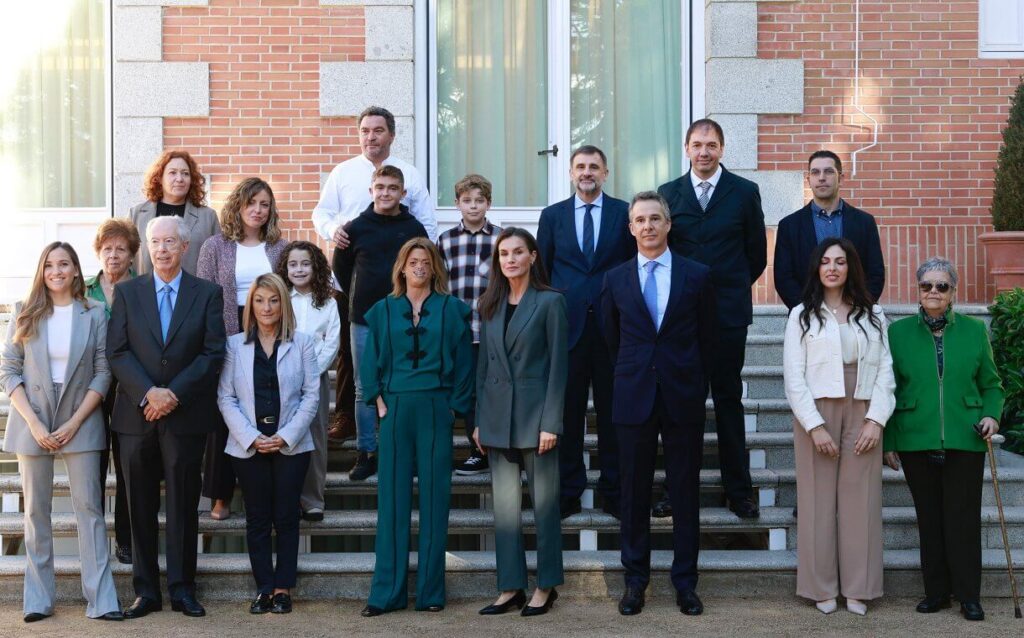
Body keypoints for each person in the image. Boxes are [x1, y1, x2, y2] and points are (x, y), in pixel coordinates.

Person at [601, 192, 715, 617]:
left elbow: (709, 338)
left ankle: (686, 582)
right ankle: (635, 582)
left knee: (685, 491)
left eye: (655, 218)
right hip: (633, 396)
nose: (647, 226)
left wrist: (690, 380)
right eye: (639, 220)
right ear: (630, 228)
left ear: (669, 224)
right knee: (633, 493)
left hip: (682, 394)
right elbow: (612, 338)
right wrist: (636, 372)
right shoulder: (615, 279)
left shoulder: (698, 275)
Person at [107, 215, 226, 619]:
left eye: (170, 242)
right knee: (138, 506)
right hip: (135, 418)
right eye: (155, 242)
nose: (162, 249)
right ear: (148, 246)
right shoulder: (127, 293)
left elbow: (212, 353)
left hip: (185, 416)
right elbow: (117, 352)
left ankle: (182, 588)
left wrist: (172, 394)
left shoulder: (208, 293)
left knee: (182, 506)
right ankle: (146, 592)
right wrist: (149, 393)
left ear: (185, 247)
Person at [1, 243, 122, 623]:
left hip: (81, 416)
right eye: (50, 265)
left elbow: (104, 371)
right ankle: (38, 599)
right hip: (31, 417)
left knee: (90, 510)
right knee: (36, 512)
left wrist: (73, 422)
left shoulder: (95, 311)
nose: (56, 271)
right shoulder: (23, 311)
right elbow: (8, 371)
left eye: (64, 264)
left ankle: (102, 600)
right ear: (42, 270)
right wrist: (35, 424)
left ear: (74, 270)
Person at [883, 257, 1004, 622]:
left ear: (953, 292)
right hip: (914, 436)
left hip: (965, 437)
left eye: (941, 286)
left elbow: (992, 384)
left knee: (962, 520)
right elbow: (888, 388)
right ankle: (936, 593)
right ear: (917, 291)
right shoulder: (897, 333)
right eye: (926, 286)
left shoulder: (973, 330)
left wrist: (991, 416)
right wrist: (889, 439)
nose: (933, 292)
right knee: (929, 518)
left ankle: (969, 596)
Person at [657, 118, 766, 520]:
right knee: (681, 406)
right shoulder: (669, 193)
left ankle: (738, 491)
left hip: (727, 316)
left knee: (727, 402)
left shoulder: (744, 192)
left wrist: (728, 289)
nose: (704, 152)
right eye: (697, 144)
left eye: (712, 145)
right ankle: (674, 489)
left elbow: (756, 255)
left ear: (722, 149)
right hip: (680, 318)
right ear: (687, 148)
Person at [359, 238, 474, 616]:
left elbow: (463, 361)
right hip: (394, 409)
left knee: (435, 500)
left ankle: (430, 593)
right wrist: (376, 399)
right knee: (391, 501)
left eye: (427, 261)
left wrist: (454, 408)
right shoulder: (381, 310)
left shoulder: (453, 309)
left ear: (435, 268)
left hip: (436, 409)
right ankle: (386, 595)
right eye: (413, 261)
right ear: (402, 267)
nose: (420, 267)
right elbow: (370, 358)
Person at [312, 106, 439, 445]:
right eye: (365, 130)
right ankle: (347, 419)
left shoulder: (409, 173)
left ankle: (396, 431)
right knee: (350, 353)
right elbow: (321, 212)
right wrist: (332, 231)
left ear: (391, 135)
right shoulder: (343, 172)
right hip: (354, 274)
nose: (371, 136)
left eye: (378, 130)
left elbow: (426, 223)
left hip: (398, 281)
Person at [782, 237, 895, 616]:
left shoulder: (874, 314)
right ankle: (820, 587)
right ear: (817, 268)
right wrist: (814, 426)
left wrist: (876, 420)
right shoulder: (801, 314)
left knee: (859, 501)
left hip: (862, 408)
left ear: (851, 268)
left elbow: (886, 373)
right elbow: (793, 378)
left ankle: (860, 588)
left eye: (841, 262)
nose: (833, 267)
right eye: (826, 261)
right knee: (816, 501)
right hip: (817, 410)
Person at [537, 145, 635, 519]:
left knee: (613, 415)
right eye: (580, 166)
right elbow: (542, 273)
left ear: (606, 173)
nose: (587, 172)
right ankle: (568, 490)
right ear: (570, 172)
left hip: (614, 329)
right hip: (567, 329)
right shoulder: (552, 216)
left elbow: (631, 268)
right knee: (568, 414)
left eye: (594, 166)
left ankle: (613, 491)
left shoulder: (623, 213)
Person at [474, 228, 568, 617]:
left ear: (532, 256)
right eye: (503, 254)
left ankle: (546, 585)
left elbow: (560, 367)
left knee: (544, 507)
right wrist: (479, 421)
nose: (510, 259)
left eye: (517, 252)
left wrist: (552, 422)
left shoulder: (550, 302)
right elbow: (483, 368)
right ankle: (510, 586)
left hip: (535, 420)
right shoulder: (489, 304)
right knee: (507, 511)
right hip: (497, 418)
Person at [218, 273, 320, 615]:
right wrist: (252, 436)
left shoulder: (302, 343)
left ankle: (282, 588)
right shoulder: (234, 345)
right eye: (259, 300)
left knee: (287, 516)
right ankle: (263, 587)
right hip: (248, 447)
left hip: (291, 444)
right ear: (251, 305)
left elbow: (311, 396)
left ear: (283, 304)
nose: (266, 307)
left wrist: (285, 435)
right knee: (257, 518)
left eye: (273, 300)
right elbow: (226, 397)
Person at [197, 177, 289, 520]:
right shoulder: (214, 246)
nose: (258, 210)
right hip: (226, 330)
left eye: (264, 204)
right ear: (238, 205)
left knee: (268, 406)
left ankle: (266, 493)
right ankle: (220, 495)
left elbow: (289, 294)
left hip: (269, 327)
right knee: (226, 411)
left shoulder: (280, 247)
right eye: (252, 203)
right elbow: (205, 295)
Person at [333, 165, 429, 481]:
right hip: (362, 319)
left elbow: (424, 267)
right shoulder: (356, 228)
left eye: (392, 188)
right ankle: (367, 452)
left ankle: (402, 452)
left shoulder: (413, 227)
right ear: (371, 190)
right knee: (364, 388)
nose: (385, 193)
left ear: (403, 193)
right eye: (380, 187)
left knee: (402, 386)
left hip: (403, 318)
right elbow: (342, 270)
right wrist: (360, 297)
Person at [437, 174, 503, 475]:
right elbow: (440, 285)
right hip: (459, 331)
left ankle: (489, 449)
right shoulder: (447, 240)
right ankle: (476, 447)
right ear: (457, 204)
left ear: (488, 203)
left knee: (487, 390)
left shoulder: (501, 238)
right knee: (464, 392)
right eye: (467, 201)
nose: (473, 206)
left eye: (479, 200)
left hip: (492, 329)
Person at [84, 218, 141, 565]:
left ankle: (125, 539)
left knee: (126, 466)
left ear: (133, 254)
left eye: (121, 249)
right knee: (93, 463)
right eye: (108, 248)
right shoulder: (84, 288)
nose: (114, 254)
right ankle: (92, 541)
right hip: (90, 386)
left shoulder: (141, 287)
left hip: (127, 387)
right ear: (99, 252)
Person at [275, 241, 342, 521]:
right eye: (293, 264)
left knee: (314, 439)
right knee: (284, 438)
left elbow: (332, 342)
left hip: (315, 381)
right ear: (285, 268)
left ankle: (313, 499)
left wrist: (312, 373)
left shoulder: (327, 302)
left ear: (316, 267)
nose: (299, 269)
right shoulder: (279, 299)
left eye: (305, 264)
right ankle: (286, 498)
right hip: (281, 379)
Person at [774, 150, 886, 310]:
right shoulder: (789, 225)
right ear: (809, 179)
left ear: (841, 178)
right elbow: (783, 277)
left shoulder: (864, 222)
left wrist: (857, 308)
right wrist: (808, 311)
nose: (821, 177)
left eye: (828, 171)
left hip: (855, 316)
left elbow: (875, 273)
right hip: (808, 318)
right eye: (815, 172)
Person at [128, 150, 219, 275]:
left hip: (194, 293)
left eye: (185, 174)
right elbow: (127, 261)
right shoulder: (137, 214)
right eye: (172, 173)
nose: (180, 179)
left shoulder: (208, 217)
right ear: (159, 178)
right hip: (145, 292)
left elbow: (218, 262)